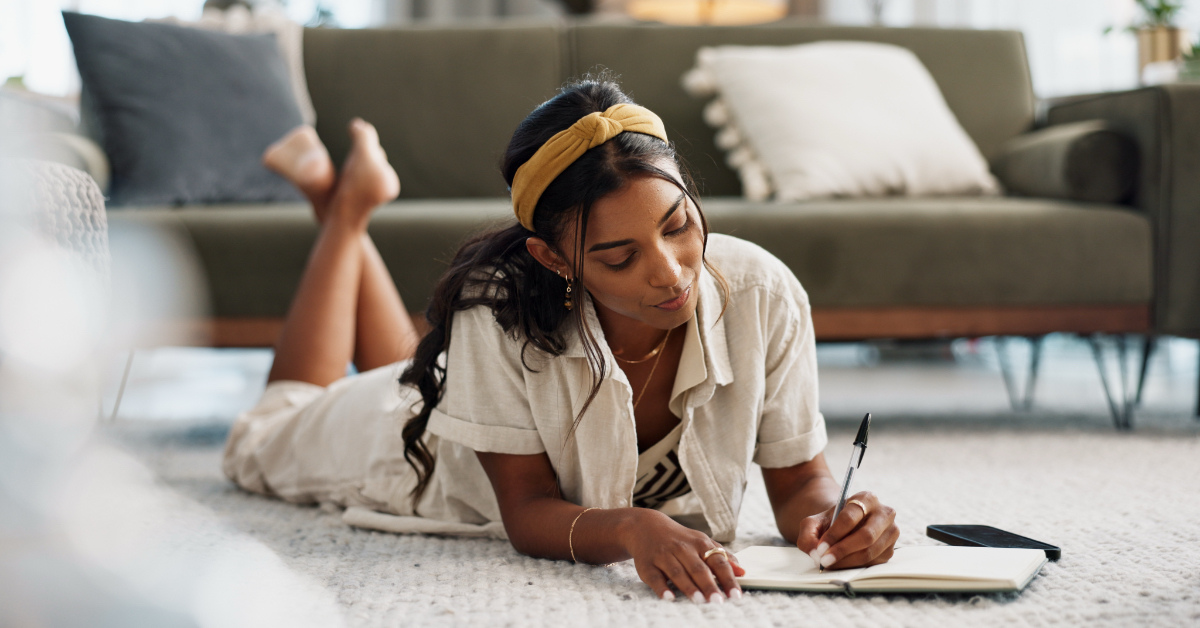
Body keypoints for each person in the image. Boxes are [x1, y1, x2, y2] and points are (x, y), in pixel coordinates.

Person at [224, 78, 899, 604]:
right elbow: (524, 511)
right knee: (261, 433)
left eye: (677, 225)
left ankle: (341, 200)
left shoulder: (762, 293)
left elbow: (800, 482)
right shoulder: (495, 310)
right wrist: (630, 527)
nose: (671, 273)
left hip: (467, 392)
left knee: (410, 364)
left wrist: (837, 521)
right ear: (553, 260)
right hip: (414, 453)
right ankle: (340, 210)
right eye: (617, 257)